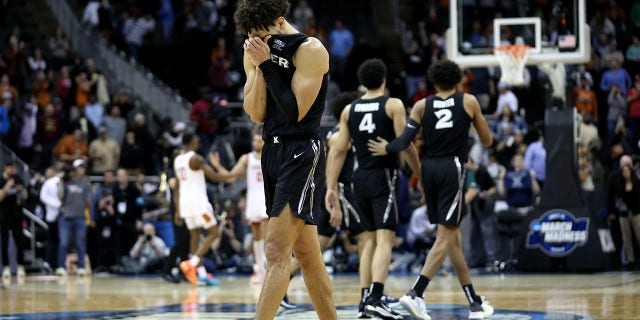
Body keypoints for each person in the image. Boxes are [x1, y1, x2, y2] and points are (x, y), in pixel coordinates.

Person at [367, 60, 494, 320]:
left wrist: (388, 148)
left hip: (428, 168)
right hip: (452, 167)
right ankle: (416, 292)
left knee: (452, 238)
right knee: (446, 235)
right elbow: (487, 140)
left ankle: (475, 303)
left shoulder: (423, 105)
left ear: (434, 82)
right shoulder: (468, 101)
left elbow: (405, 141)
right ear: (458, 81)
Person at [234, 0, 337, 318]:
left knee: (276, 249)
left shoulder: (310, 49)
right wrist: (259, 66)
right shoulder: (255, 49)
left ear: (279, 22)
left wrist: (266, 65)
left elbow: (295, 113)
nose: (257, 41)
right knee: (308, 256)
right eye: (252, 36)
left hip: (302, 150)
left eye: (261, 34)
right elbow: (256, 112)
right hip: (273, 151)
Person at [326, 59, 421, 320]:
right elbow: (406, 144)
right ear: (384, 80)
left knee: (367, 241)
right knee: (385, 239)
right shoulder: (393, 104)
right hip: (383, 175)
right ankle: (377, 298)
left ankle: (365, 298)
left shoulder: (349, 110)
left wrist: (331, 187)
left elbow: (337, 150)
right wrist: (419, 174)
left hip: (359, 178)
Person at [209, 124, 268, 284]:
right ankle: (258, 269)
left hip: (267, 199)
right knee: (256, 236)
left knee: (266, 235)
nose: (255, 143)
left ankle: (266, 267)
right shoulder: (246, 158)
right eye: (254, 140)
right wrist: (217, 166)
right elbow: (230, 177)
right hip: (253, 200)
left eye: (258, 140)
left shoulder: (270, 155)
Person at [173, 132, 235, 286]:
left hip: (184, 203)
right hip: (198, 203)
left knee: (195, 237)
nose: (198, 141)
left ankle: (199, 274)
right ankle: (192, 264)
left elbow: (177, 188)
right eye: (197, 139)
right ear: (191, 140)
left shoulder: (178, 160)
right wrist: (237, 174)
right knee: (213, 233)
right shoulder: (196, 158)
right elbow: (214, 176)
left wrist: (177, 210)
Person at [57, 159, 92, 277]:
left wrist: (90, 216)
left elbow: (89, 200)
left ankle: (81, 267)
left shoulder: (86, 183)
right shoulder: (67, 181)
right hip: (66, 216)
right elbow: (60, 196)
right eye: (79, 167)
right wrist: (61, 181)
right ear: (74, 169)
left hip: (80, 216)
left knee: (80, 243)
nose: (81, 170)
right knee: (64, 242)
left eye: (83, 167)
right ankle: (61, 266)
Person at [0, 160, 28, 279]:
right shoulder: (1, 181)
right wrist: (7, 186)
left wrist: (20, 189)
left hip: (17, 214)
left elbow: (25, 196)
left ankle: (20, 266)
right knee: (5, 241)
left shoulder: (18, 179)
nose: (13, 170)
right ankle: (6, 267)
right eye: (11, 168)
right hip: (4, 215)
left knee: (20, 241)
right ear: (6, 168)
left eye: (14, 168)